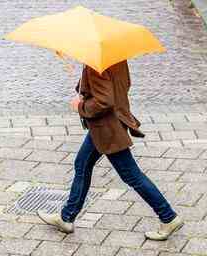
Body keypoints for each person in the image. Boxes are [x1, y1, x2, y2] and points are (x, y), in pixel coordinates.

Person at [37, 61, 184, 241]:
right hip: (109, 124)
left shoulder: (95, 65)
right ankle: (66, 217)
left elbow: (104, 100)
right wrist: (84, 84)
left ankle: (168, 217)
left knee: (131, 175)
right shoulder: (116, 58)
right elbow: (122, 84)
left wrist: (81, 106)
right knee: (82, 164)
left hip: (107, 128)